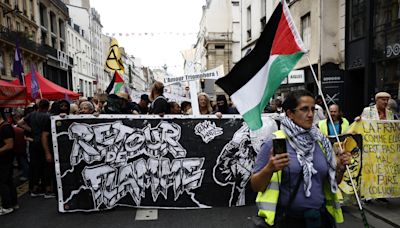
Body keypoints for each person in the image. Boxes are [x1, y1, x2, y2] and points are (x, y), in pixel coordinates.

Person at [251, 90, 350, 227]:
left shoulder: (321, 142)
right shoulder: (275, 142)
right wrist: (269, 168)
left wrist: (340, 169)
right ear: (290, 114)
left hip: (319, 219)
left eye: (312, 109)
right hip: (287, 221)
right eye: (304, 109)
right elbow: (256, 186)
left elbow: (331, 182)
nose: (310, 115)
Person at [0, 108, 17, 215]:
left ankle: (7, 206)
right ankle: (13, 203)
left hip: (4, 159)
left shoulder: (5, 127)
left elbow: (9, 145)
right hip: (5, 159)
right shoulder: (4, 126)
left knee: (2, 182)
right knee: (8, 181)